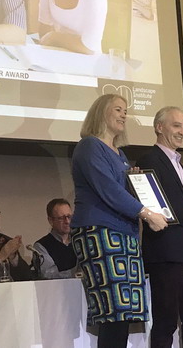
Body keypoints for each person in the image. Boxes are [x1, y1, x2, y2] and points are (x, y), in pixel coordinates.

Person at [70, 94, 168, 348]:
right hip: (100, 232)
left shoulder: (120, 154)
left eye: (125, 110)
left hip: (125, 235)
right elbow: (108, 190)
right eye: (118, 109)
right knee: (113, 312)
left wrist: (133, 182)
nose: (124, 115)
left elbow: (121, 190)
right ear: (101, 112)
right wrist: (148, 214)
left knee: (123, 313)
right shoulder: (90, 146)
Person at [136, 106, 183, 348]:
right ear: (159, 127)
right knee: (166, 322)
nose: (182, 132)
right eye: (176, 126)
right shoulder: (150, 159)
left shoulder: (178, 162)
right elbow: (155, 205)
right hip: (167, 253)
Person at [32, 198, 77, 279]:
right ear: (50, 220)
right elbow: (48, 274)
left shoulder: (78, 240)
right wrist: (77, 272)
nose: (67, 221)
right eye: (61, 218)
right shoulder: (41, 246)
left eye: (69, 216)